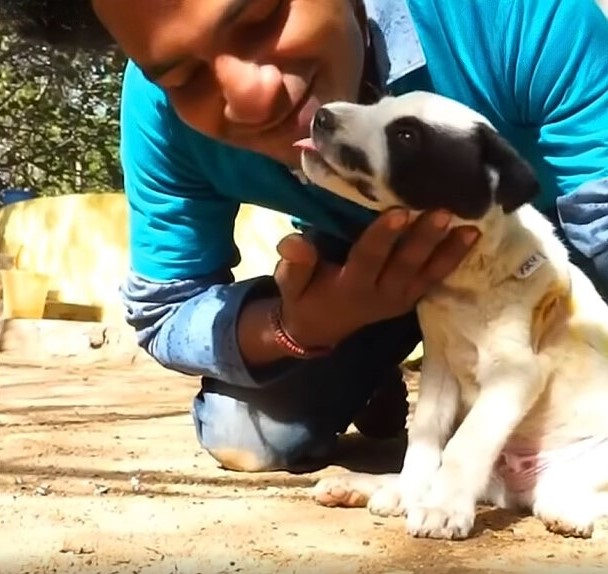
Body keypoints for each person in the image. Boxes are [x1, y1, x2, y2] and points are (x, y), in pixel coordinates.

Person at [10, 0, 608, 472]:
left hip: (535, 260)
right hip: (354, 278)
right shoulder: (159, 119)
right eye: (185, 76)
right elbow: (164, 308)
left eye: (262, 17)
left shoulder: (508, 12)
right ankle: (368, 370)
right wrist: (302, 326)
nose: (251, 98)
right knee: (244, 432)